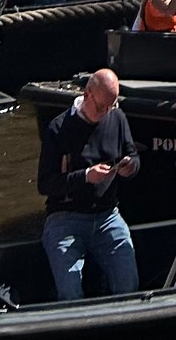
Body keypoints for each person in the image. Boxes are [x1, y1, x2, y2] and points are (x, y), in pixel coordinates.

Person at [37, 67, 142, 298]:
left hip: (107, 215)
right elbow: (44, 184)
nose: (105, 113)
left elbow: (133, 155)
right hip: (66, 218)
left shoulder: (117, 118)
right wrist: (85, 176)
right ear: (87, 95)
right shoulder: (58, 128)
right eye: (101, 106)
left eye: (111, 106)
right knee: (70, 292)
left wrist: (129, 167)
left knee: (128, 284)